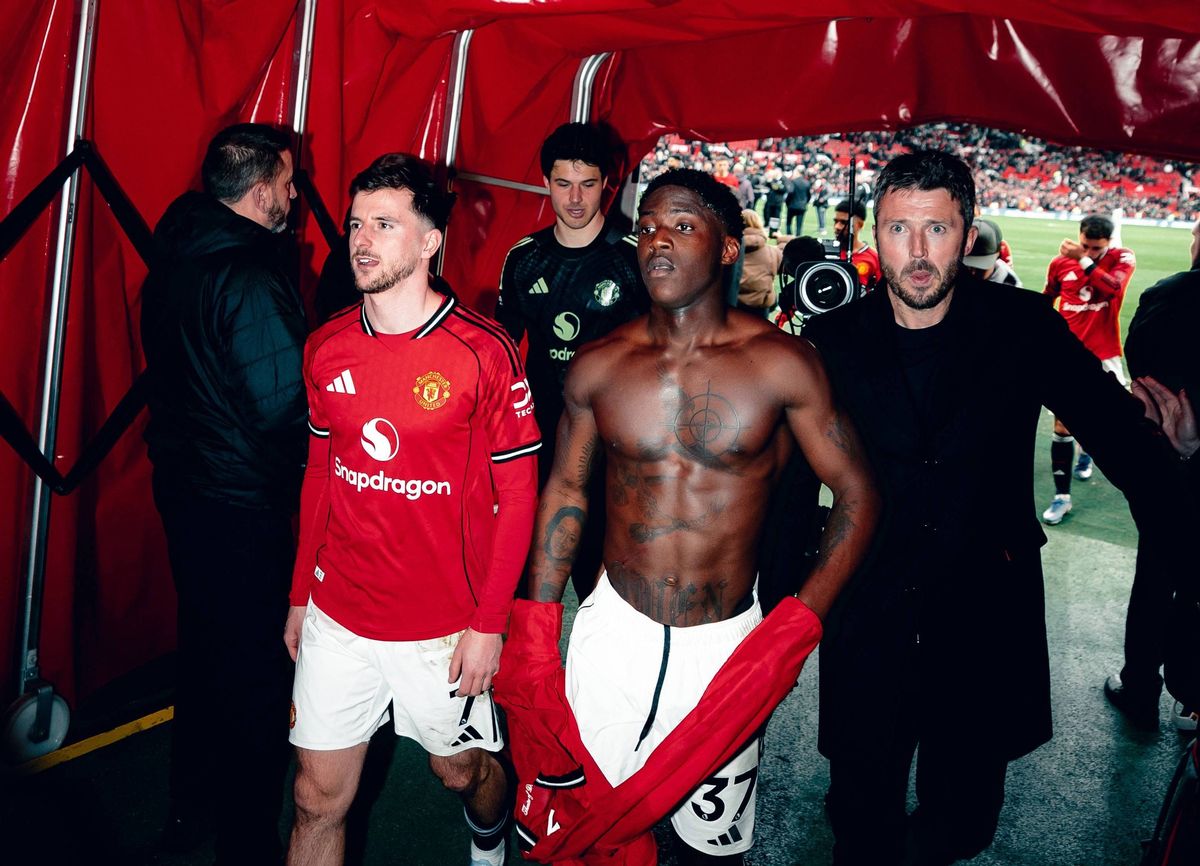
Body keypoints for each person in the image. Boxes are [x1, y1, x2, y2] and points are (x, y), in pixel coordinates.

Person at [803, 150, 1183, 866]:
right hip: (868, 611)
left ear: (968, 230)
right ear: (874, 235)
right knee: (858, 816)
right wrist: (779, 608)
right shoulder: (832, 339)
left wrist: (1183, 484)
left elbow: (1119, 439)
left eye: (937, 230)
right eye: (897, 230)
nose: (917, 254)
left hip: (985, 610)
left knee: (965, 821)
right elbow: (788, 486)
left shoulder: (1024, 325)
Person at [520, 169, 879, 864]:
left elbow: (859, 495)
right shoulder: (600, 363)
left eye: (682, 227)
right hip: (611, 636)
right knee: (577, 834)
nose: (658, 242)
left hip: (724, 648)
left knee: (707, 854)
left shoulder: (782, 363)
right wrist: (536, 627)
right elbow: (567, 488)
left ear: (725, 249)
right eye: (648, 227)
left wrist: (796, 626)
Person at [284, 153, 541, 866]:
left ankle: (489, 833)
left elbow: (520, 493)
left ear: (429, 242)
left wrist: (490, 624)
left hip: (444, 628)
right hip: (341, 617)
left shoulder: (484, 353)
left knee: (457, 773)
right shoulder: (326, 345)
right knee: (313, 798)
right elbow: (319, 474)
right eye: (357, 224)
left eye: (386, 225)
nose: (362, 240)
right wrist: (301, 595)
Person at [140, 122, 306, 864]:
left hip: (186, 493)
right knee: (254, 682)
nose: (296, 197)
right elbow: (281, 406)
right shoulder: (246, 270)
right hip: (242, 506)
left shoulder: (173, 254)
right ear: (262, 187)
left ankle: (188, 813)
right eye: (290, 183)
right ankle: (244, 844)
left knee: (205, 657)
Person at [495, 121, 647, 602]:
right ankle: (520, 667)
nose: (575, 198)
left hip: (609, 438)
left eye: (587, 184)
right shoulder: (524, 258)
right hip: (537, 433)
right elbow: (500, 354)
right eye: (563, 184)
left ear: (608, 183)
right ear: (546, 183)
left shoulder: (631, 260)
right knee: (526, 569)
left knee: (600, 581)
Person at [1104, 219, 1200, 732]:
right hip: (1180, 449)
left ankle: (1142, 685)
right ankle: (1191, 697)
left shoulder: (1170, 294)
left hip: (1173, 453)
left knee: (1159, 572)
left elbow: (1139, 361)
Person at [1041, 214, 1137, 524]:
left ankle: (1088, 452)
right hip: (1065, 355)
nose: (1090, 251)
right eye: (1085, 245)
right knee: (1062, 425)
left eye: (1096, 248)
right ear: (1079, 235)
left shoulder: (1121, 259)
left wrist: (1083, 259)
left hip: (1105, 354)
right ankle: (1062, 497)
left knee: (1112, 420)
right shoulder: (1060, 263)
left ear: (1108, 244)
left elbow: (1111, 290)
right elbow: (1048, 297)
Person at [737, 209, 782, 314]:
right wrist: (782, 239)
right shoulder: (772, 252)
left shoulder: (726, 249)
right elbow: (791, 258)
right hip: (760, 305)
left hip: (733, 303)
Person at [831, 198, 881, 292]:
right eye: (835, 221)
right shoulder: (824, 252)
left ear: (860, 225)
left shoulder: (874, 259)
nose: (837, 227)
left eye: (844, 222)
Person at [961, 218, 1022, 286]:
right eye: (966, 266)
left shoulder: (1010, 284)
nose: (972, 273)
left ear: (998, 255)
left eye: (980, 269)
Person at [785, 168, 811, 235]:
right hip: (802, 206)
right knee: (799, 224)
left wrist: (787, 202)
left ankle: (789, 235)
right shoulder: (807, 182)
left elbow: (790, 193)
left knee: (788, 222)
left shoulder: (793, 181)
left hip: (792, 205)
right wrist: (805, 202)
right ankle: (798, 237)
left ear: (798, 173)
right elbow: (809, 195)